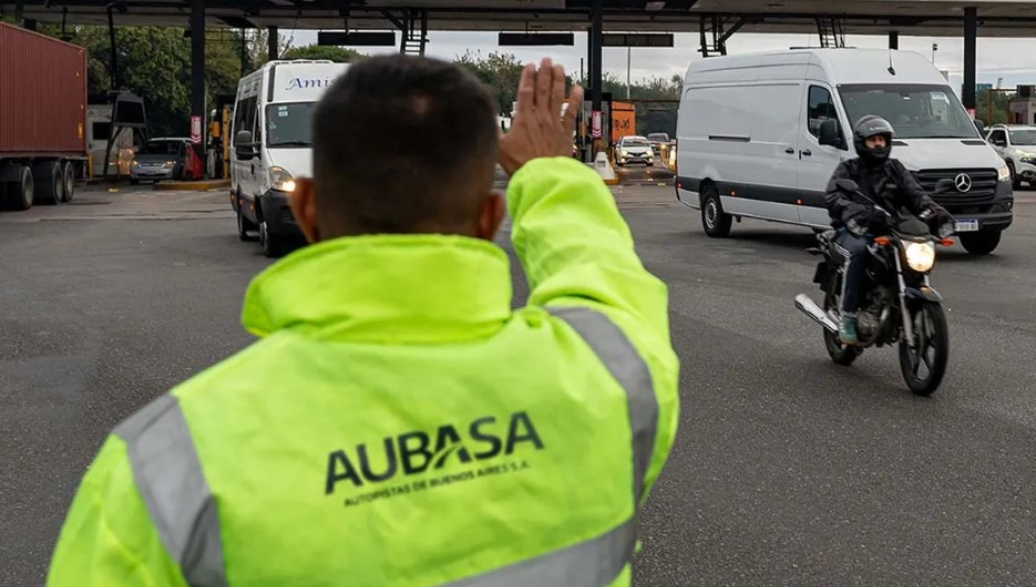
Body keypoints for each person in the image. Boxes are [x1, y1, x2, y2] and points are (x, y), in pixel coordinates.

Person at [46, 55, 680, 586]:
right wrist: (551, 175)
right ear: (489, 222)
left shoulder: (166, 468)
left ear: (313, 210)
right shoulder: (608, 377)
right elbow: (606, 279)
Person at [824, 115, 952, 346]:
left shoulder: (895, 169)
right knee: (860, 252)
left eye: (882, 139)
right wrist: (860, 213)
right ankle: (848, 317)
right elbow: (834, 197)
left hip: (890, 229)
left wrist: (933, 210)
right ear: (862, 143)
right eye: (873, 140)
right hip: (854, 230)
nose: (879, 144)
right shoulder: (849, 169)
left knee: (909, 256)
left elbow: (914, 193)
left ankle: (893, 302)